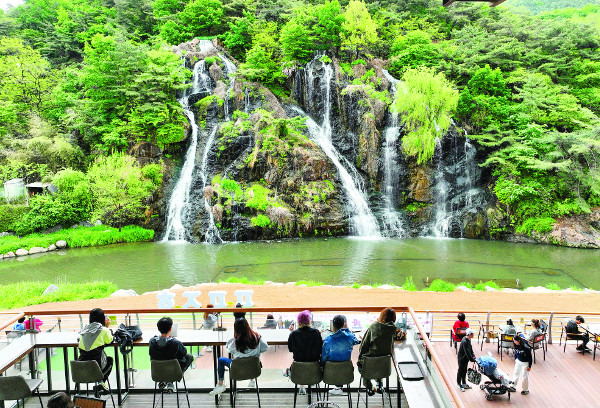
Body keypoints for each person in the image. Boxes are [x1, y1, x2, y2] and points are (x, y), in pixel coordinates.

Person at [209, 318, 268, 396]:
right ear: (248, 326)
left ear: (235, 328)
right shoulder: (257, 338)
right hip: (254, 369)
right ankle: (251, 379)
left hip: (237, 370)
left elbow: (228, 350)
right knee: (255, 358)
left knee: (221, 360)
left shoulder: (234, 342)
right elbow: (265, 348)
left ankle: (220, 384)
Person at [358, 307, 396, 395]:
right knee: (379, 357)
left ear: (382, 316)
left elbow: (363, 347)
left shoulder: (374, 326)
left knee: (364, 360)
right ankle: (379, 384)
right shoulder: (392, 329)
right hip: (384, 368)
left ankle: (369, 386)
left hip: (369, 366)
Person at [149, 317, 194, 392]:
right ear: (170, 329)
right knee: (189, 356)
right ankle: (170, 381)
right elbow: (183, 353)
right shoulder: (175, 342)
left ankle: (165, 381)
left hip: (157, 372)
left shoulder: (152, 341)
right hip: (173, 371)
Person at [77, 308, 113, 398]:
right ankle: (101, 383)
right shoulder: (103, 330)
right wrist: (107, 327)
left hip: (81, 368)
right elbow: (109, 340)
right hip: (97, 367)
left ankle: (100, 384)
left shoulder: (84, 329)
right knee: (110, 360)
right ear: (103, 318)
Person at [286, 310, 323, 395]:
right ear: (309, 321)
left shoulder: (293, 334)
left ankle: (301, 385)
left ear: (298, 322)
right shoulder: (316, 332)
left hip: (298, 368)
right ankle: (311, 380)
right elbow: (320, 348)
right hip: (314, 368)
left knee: (300, 361)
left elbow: (290, 349)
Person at [321, 314, 359, 395]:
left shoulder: (328, 339)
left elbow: (323, 358)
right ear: (344, 324)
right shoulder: (350, 336)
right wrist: (347, 329)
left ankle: (338, 387)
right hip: (346, 373)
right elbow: (356, 341)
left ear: (333, 325)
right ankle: (339, 387)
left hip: (330, 373)